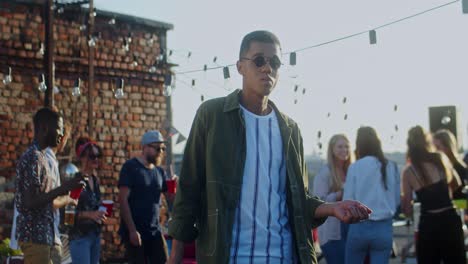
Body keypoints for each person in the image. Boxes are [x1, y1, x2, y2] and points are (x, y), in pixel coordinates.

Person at [167, 30, 371, 264]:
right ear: (240, 67)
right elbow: (189, 188)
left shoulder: (290, 129)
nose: (267, 68)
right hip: (229, 257)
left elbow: (300, 202)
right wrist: (175, 257)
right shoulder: (212, 116)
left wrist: (334, 208)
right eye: (259, 60)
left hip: (283, 256)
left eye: (274, 62)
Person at [14, 107, 84, 264]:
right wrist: (64, 189)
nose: (61, 134)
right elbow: (30, 202)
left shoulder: (42, 157)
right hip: (35, 237)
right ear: (45, 128)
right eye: (59, 128)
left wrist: (66, 191)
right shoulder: (33, 157)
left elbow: (45, 199)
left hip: (47, 236)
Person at [401, 126, 465, 263]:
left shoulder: (408, 172)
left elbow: (407, 209)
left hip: (428, 224)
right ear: (427, 141)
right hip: (450, 220)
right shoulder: (440, 159)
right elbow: (457, 184)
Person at [343, 127, 400, 264]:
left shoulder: (355, 167)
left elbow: (347, 200)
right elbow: (397, 200)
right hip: (384, 227)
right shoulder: (391, 166)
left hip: (359, 226)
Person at [118, 130, 169, 263]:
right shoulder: (130, 167)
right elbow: (123, 201)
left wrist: (177, 186)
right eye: (157, 148)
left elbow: (171, 199)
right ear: (145, 147)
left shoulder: (160, 171)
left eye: (163, 148)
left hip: (155, 231)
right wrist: (132, 230)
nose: (161, 152)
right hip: (135, 232)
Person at [311, 134, 353, 264]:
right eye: (340, 147)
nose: (344, 150)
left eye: (346, 146)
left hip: (350, 230)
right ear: (332, 149)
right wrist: (339, 194)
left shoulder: (351, 170)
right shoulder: (325, 173)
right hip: (331, 233)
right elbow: (318, 201)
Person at [68, 137, 106, 264]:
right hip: (80, 238)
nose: (96, 159)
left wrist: (101, 213)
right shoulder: (76, 181)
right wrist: (90, 215)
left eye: (98, 155)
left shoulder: (95, 180)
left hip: (94, 235)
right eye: (92, 156)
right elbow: (68, 216)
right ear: (82, 158)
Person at [433, 129, 468, 199]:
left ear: (448, 147)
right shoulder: (436, 168)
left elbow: (461, 196)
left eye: (438, 147)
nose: (435, 151)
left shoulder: (460, 168)